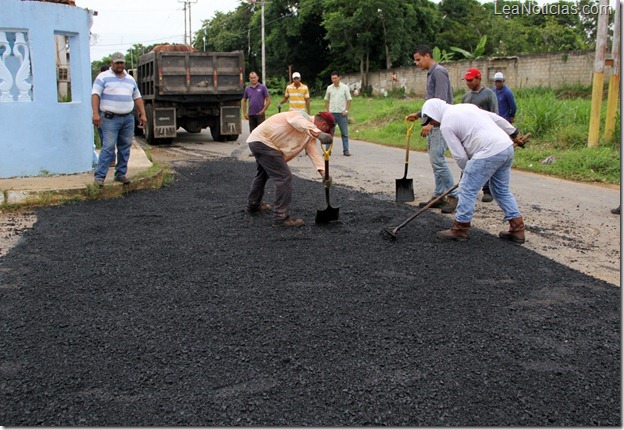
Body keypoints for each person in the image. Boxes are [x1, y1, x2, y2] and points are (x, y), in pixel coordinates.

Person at [419, 98, 526, 243]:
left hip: (487, 151)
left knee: (466, 189)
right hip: (505, 147)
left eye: (430, 119)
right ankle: (517, 229)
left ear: (436, 112)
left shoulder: (446, 125)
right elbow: (495, 118)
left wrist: (466, 172)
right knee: (501, 190)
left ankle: (460, 228)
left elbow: (459, 155)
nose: (431, 123)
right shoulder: (466, 107)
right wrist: (513, 132)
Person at [246, 111, 335, 227]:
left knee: (262, 174)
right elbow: (298, 122)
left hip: (260, 141)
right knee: (284, 177)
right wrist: (319, 134)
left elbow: (314, 153)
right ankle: (280, 218)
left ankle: (253, 205)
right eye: (326, 130)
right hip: (264, 142)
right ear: (323, 125)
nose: (324, 132)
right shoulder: (302, 117)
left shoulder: (309, 136)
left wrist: (324, 173)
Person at [405, 45, 458, 214]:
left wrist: (431, 123)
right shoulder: (431, 73)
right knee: (435, 161)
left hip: (441, 124)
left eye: (419, 59)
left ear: (427, 56)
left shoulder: (439, 72)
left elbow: (441, 103)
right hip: (434, 122)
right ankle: (438, 196)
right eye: (415, 61)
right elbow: (432, 103)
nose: (417, 63)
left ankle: (454, 195)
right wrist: (420, 114)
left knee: (438, 159)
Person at [91, 52, 147, 186]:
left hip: (127, 118)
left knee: (125, 147)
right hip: (110, 118)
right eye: (117, 63)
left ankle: (121, 173)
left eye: (122, 62)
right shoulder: (103, 77)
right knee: (108, 147)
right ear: (112, 63)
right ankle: (100, 177)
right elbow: (95, 95)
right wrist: (95, 113)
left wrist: (143, 114)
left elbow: (137, 97)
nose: (120, 65)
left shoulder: (130, 79)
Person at [461, 67, 499, 203]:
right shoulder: (466, 97)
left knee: (484, 162)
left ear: (478, 79)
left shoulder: (489, 94)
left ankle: (487, 190)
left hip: (484, 135)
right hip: (468, 136)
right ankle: (463, 188)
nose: (468, 83)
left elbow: (495, 114)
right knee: (467, 162)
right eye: (467, 80)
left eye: (471, 80)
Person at [324, 71, 352, 156]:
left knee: (344, 133)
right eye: (332, 78)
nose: (334, 80)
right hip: (332, 113)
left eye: (335, 78)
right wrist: (328, 111)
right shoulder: (329, 88)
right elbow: (326, 99)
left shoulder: (345, 87)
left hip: (341, 114)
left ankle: (346, 150)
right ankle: (328, 150)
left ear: (339, 78)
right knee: (330, 133)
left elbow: (349, 99)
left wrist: (346, 110)